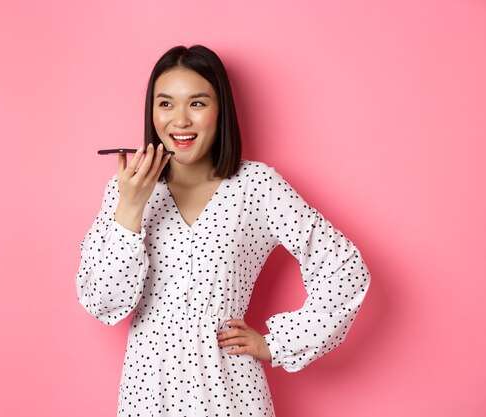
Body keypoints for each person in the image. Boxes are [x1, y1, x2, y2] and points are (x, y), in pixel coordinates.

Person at [75, 44, 371, 417]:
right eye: (165, 104)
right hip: (148, 388)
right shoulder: (125, 190)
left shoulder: (257, 186)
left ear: (221, 111)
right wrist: (132, 206)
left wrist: (279, 343)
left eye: (197, 103)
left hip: (230, 388)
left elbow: (344, 268)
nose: (179, 120)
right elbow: (104, 302)